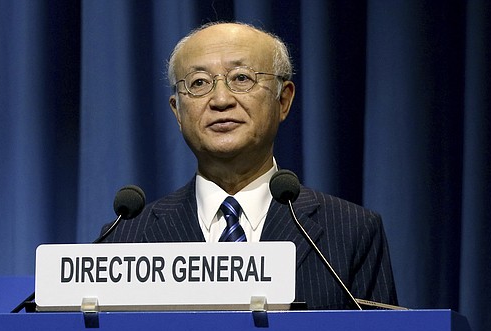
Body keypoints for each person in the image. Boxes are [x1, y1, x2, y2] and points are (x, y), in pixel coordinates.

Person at [103, 21, 397, 309]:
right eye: (199, 83)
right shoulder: (124, 241)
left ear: (283, 100)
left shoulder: (351, 232)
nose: (220, 100)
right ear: (177, 111)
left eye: (241, 78)